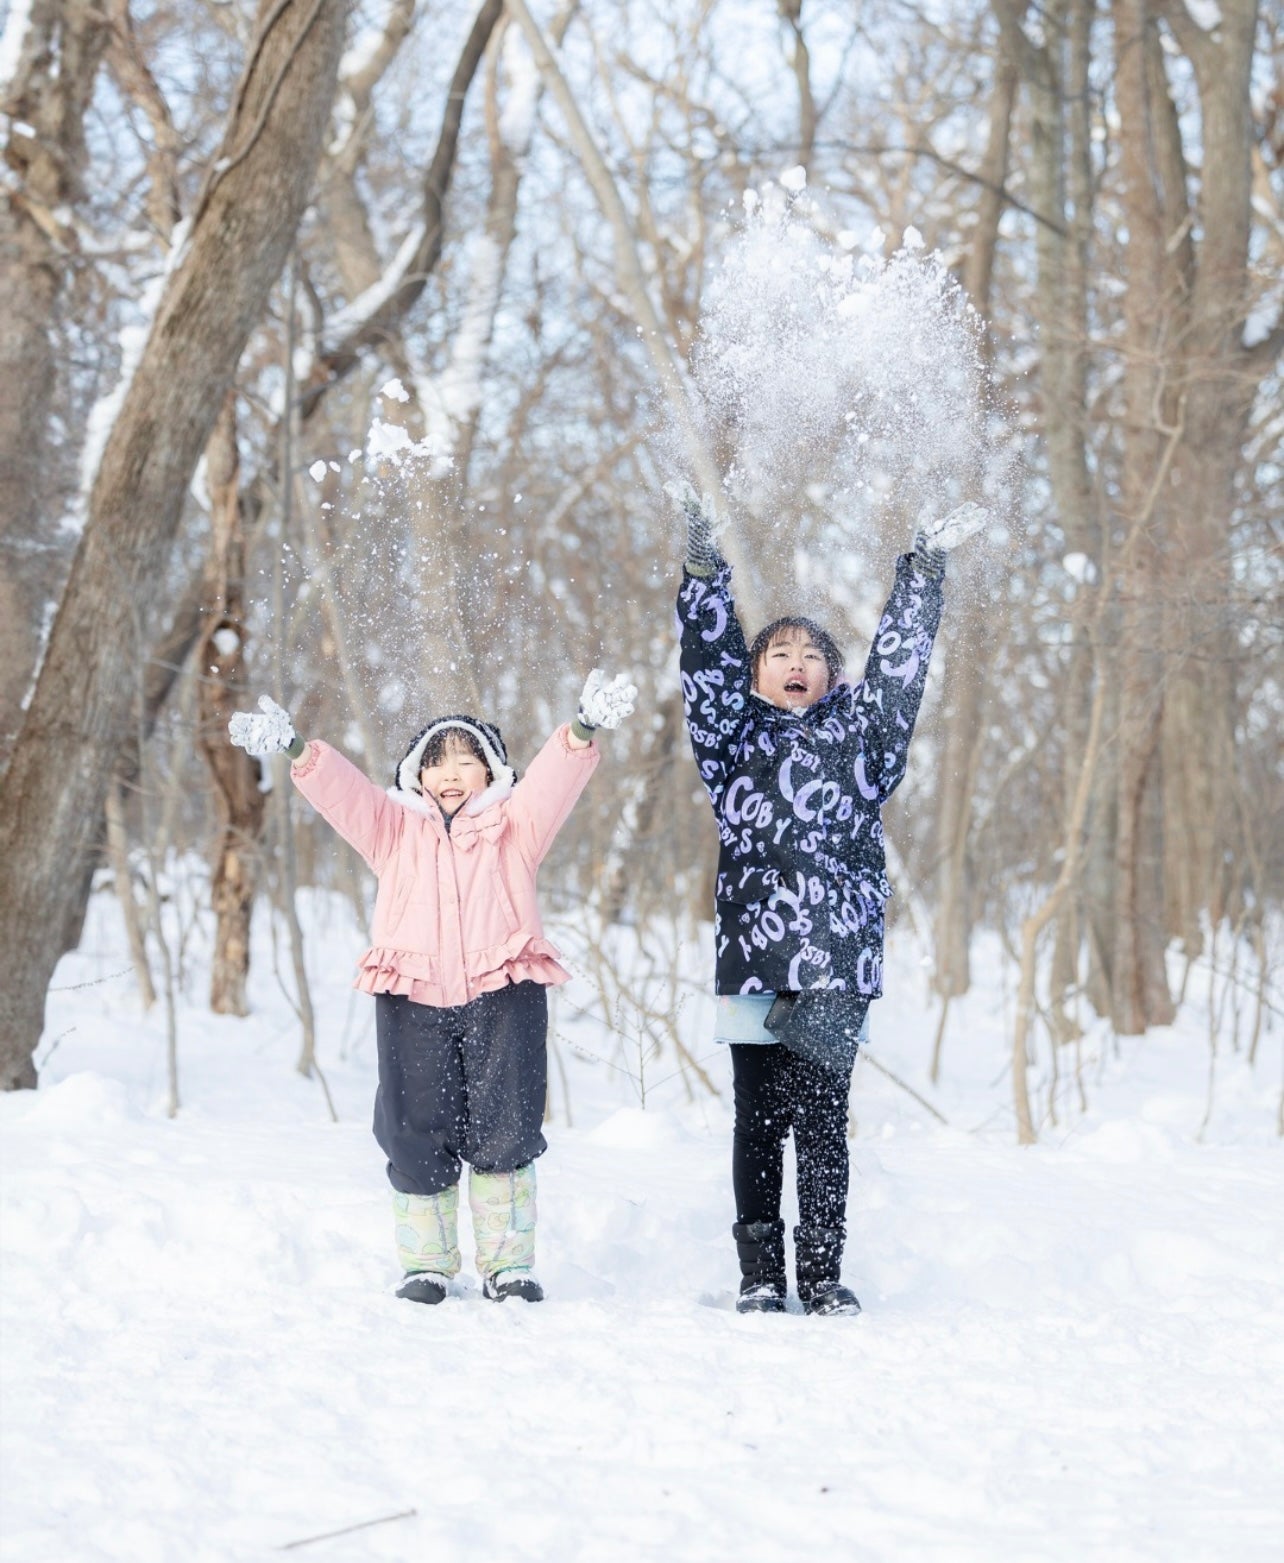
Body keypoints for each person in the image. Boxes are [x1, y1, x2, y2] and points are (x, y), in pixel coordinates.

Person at [671, 482, 986, 1316]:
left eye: (812, 654)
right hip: (753, 958)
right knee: (755, 1122)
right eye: (778, 653)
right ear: (758, 674)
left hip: (836, 963)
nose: (797, 663)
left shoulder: (864, 742)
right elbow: (705, 667)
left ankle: (819, 1274)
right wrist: (704, 570)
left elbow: (899, 674)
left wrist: (922, 570)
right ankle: (759, 1276)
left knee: (820, 1123)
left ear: (830, 675)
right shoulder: (729, 739)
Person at [229, 670, 637, 1304]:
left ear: (492, 772)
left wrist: (582, 729)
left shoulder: (515, 829)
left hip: (502, 995)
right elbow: (345, 796)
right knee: (415, 1131)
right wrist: (296, 749)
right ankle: (428, 1265)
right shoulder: (393, 833)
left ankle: (507, 1266)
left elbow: (555, 784)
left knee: (505, 1130)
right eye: (437, 760)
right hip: (413, 999)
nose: (452, 771)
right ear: (416, 776)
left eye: (468, 760)